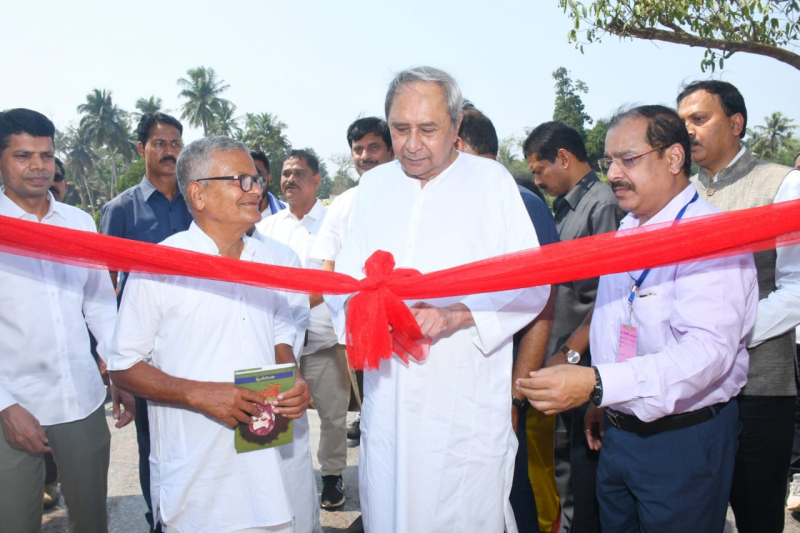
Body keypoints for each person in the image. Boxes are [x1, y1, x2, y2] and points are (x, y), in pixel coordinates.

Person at [329, 66, 549, 533]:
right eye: (400, 129)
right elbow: (346, 282)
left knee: (462, 509)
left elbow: (533, 285)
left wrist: (459, 315)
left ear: (455, 128)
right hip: (388, 397)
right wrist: (364, 311)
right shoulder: (373, 188)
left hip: (461, 396)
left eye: (427, 129)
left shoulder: (492, 184)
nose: (411, 144)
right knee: (390, 507)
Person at [518, 104, 758, 531]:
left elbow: (707, 354)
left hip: (682, 441)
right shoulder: (627, 231)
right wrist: (606, 401)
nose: (612, 174)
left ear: (673, 158)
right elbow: (615, 322)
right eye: (610, 160)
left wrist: (599, 383)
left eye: (628, 160)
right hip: (617, 431)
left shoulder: (711, 239)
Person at [108, 136, 313, 533]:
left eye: (255, 180)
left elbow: (280, 332)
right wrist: (199, 393)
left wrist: (292, 376)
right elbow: (122, 366)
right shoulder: (160, 266)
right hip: (197, 481)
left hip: (267, 474)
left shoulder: (271, 262)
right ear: (198, 195)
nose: (255, 190)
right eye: (240, 180)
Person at [0, 108, 135, 533]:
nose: (39, 166)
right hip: (13, 403)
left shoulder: (78, 223)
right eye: (23, 155)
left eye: (46, 155)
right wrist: (4, 405)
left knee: (92, 520)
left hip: (80, 399)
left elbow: (99, 306)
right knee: (15, 522)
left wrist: (122, 373)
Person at [677, 80, 800, 532]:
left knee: (756, 516)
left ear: (736, 122)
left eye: (700, 118)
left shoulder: (783, 184)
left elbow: (795, 290)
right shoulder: (679, 195)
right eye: (683, 121)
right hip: (687, 390)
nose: (688, 130)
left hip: (758, 389)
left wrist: (723, 337)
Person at [456, 101, 558, 533]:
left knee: (510, 494)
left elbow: (542, 306)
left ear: (458, 144)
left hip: (502, 386)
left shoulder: (521, 204)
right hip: (466, 388)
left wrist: (515, 396)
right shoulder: (459, 200)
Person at [522, 120, 624, 533]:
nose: (537, 179)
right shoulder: (565, 207)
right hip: (561, 356)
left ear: (563, 158)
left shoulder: (602, 206)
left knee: (584, 472)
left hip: (585, 363)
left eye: (539, 169)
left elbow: (608, 294)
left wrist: (572, 352)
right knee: (563, 462)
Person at [99, 111, 192, 532]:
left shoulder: (200, 205)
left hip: (198, 342)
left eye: (176, 143)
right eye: (159, 143)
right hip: (146, 353)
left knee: (199, 437)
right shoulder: (120, 212)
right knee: (153, 445)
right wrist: (117, 370)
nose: (169, 151)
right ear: (141, 150)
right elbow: (105, 292)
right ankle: (159, 519)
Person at [257, 149, 351, 510]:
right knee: (280, 414)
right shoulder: (266, 228)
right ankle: (282, 482)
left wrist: (295, 302)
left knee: (332, 414)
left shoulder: (334, 224)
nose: (289, 179)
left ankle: (331, 477)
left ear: (316, 180)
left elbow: (337, 281)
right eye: (285, 173)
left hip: (324, 340)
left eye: (298, 173)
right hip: (279, 343)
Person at [310, 117, 395, 442]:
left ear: (390, 151)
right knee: (374, 416)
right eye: (358, 149)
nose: (365, 155)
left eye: (374, 147)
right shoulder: (343, 205)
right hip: (360, 329)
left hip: (416, 324)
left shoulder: (416, 197)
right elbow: (328, 272)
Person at [252, 149, 286, 218]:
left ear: (269, 177)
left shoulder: (288, 214)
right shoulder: (228, 216)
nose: (254, 183)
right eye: (247, 177)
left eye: (260, 175)